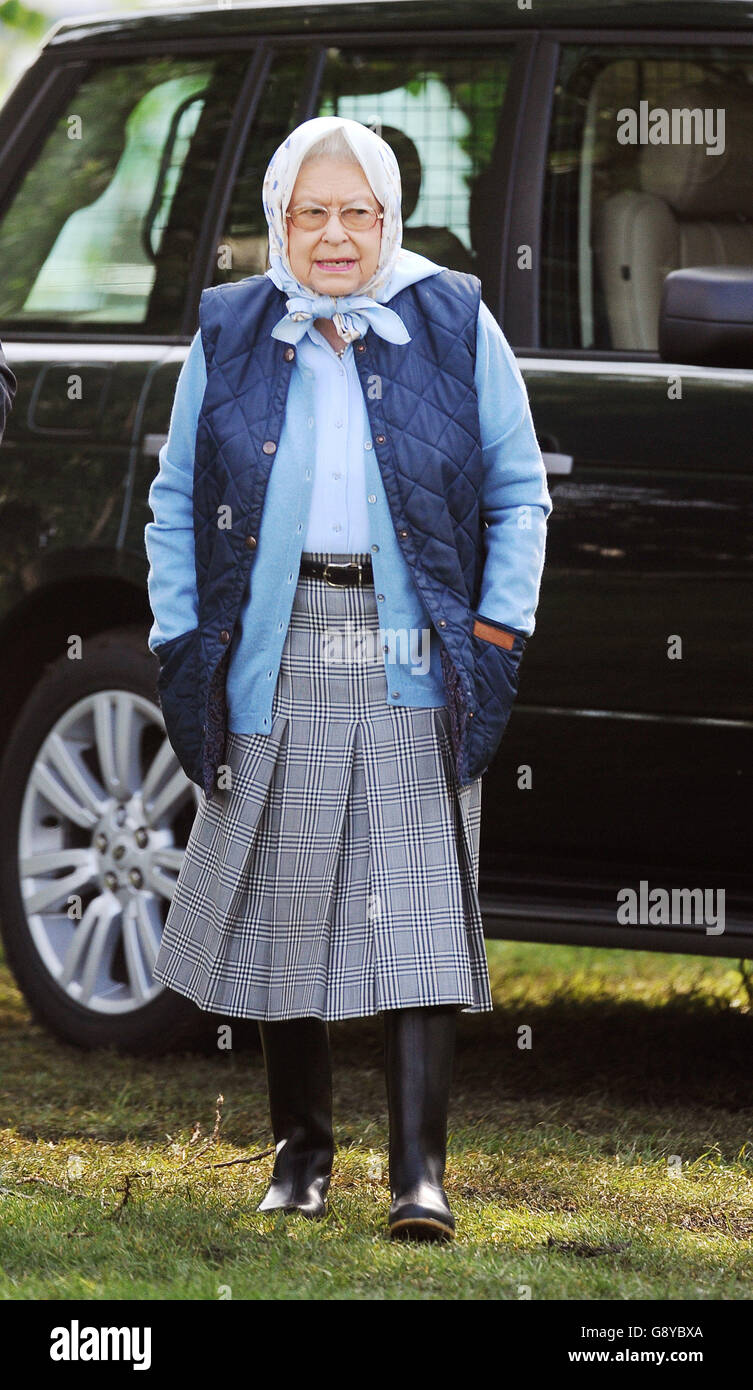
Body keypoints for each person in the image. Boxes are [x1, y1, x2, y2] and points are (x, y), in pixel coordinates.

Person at [144, 115, 552, 1242]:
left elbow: (521, 494)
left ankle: (419, 1174)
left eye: (356, 212)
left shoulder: (455, 318)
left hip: (418, 641)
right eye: (309, 213)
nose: (334, 235)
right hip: (280, 635)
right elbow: (177, 499)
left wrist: (498, 633)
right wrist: (183, 638)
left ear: (390, 215)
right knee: (291, 895)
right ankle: (300, 1154)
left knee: (420, 897)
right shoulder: (230, 329)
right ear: (278, 217)